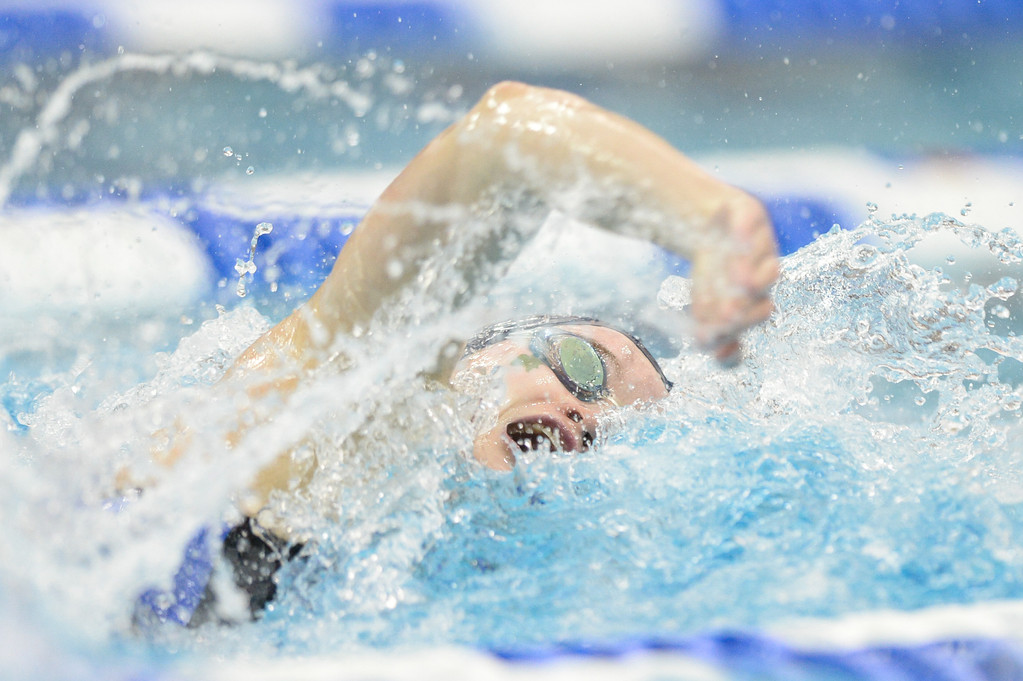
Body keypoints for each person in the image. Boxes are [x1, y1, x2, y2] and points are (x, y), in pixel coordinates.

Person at [139, 81, 779, 626]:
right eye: (586, 370)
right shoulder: (318, 399)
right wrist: (708, 219)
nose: (590, 420)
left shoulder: (435, 579)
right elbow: (508, 132)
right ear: (480, 351)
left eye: (620, 434)